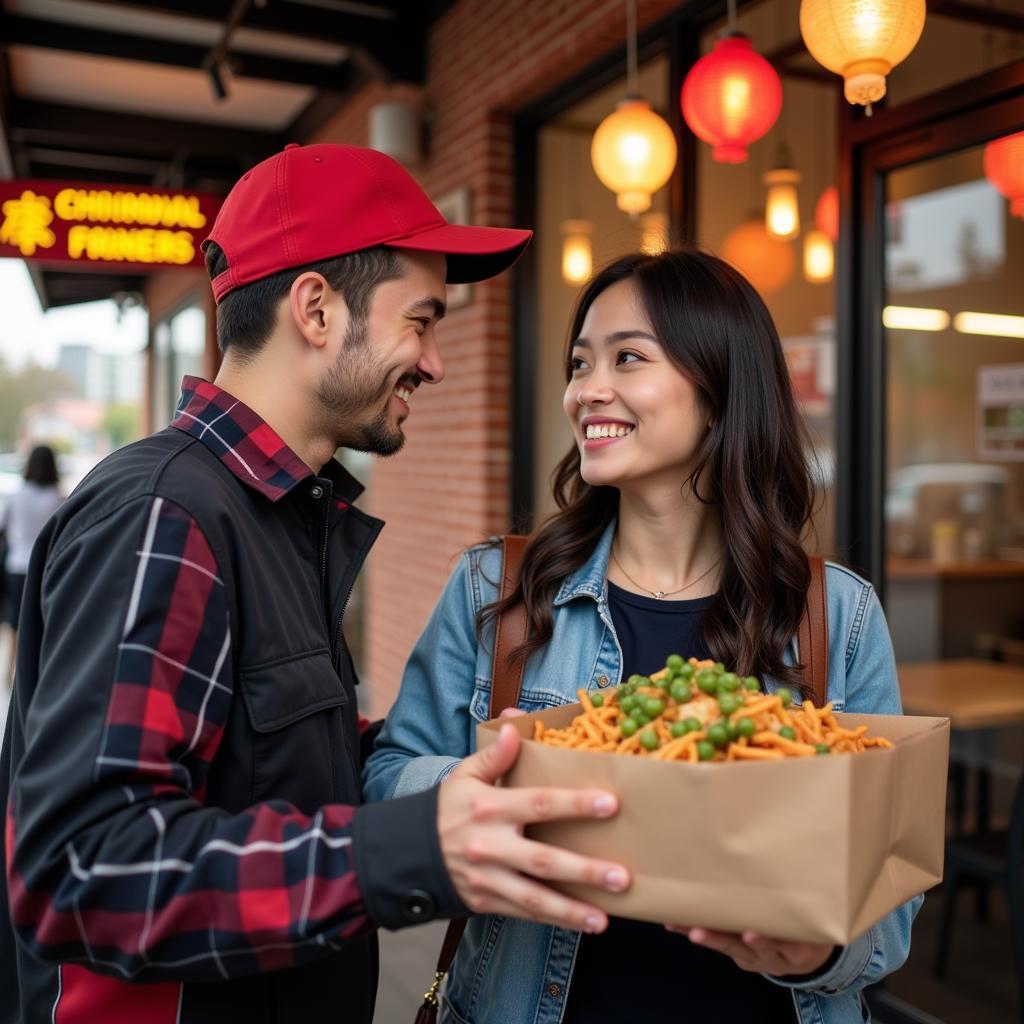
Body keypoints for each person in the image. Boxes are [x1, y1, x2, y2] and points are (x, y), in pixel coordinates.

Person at [0, 144, 633, 1024]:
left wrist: (448, 772)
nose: (436, 362)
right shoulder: (164, 516)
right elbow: (86, 871)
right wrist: (409, 849)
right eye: (422, 320)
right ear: (316, 309)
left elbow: (262, 762)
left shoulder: (276, 513)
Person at [365, 248, 921, 1024]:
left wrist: (824, 952)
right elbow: (387, 772)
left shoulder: (836, 615)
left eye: (627, 358)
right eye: (579, 363)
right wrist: (481, 796)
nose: (586, 390)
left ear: (720, 387)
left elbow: (890, 888)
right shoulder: (500, 589)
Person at [0, 445, 63, 688]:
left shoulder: (17, 496)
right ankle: (37, 674)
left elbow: (4, 529)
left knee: (15, 621)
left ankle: (8, 674)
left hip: (17, 565)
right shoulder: (58, 497)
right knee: (43, 621)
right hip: (46, 567)